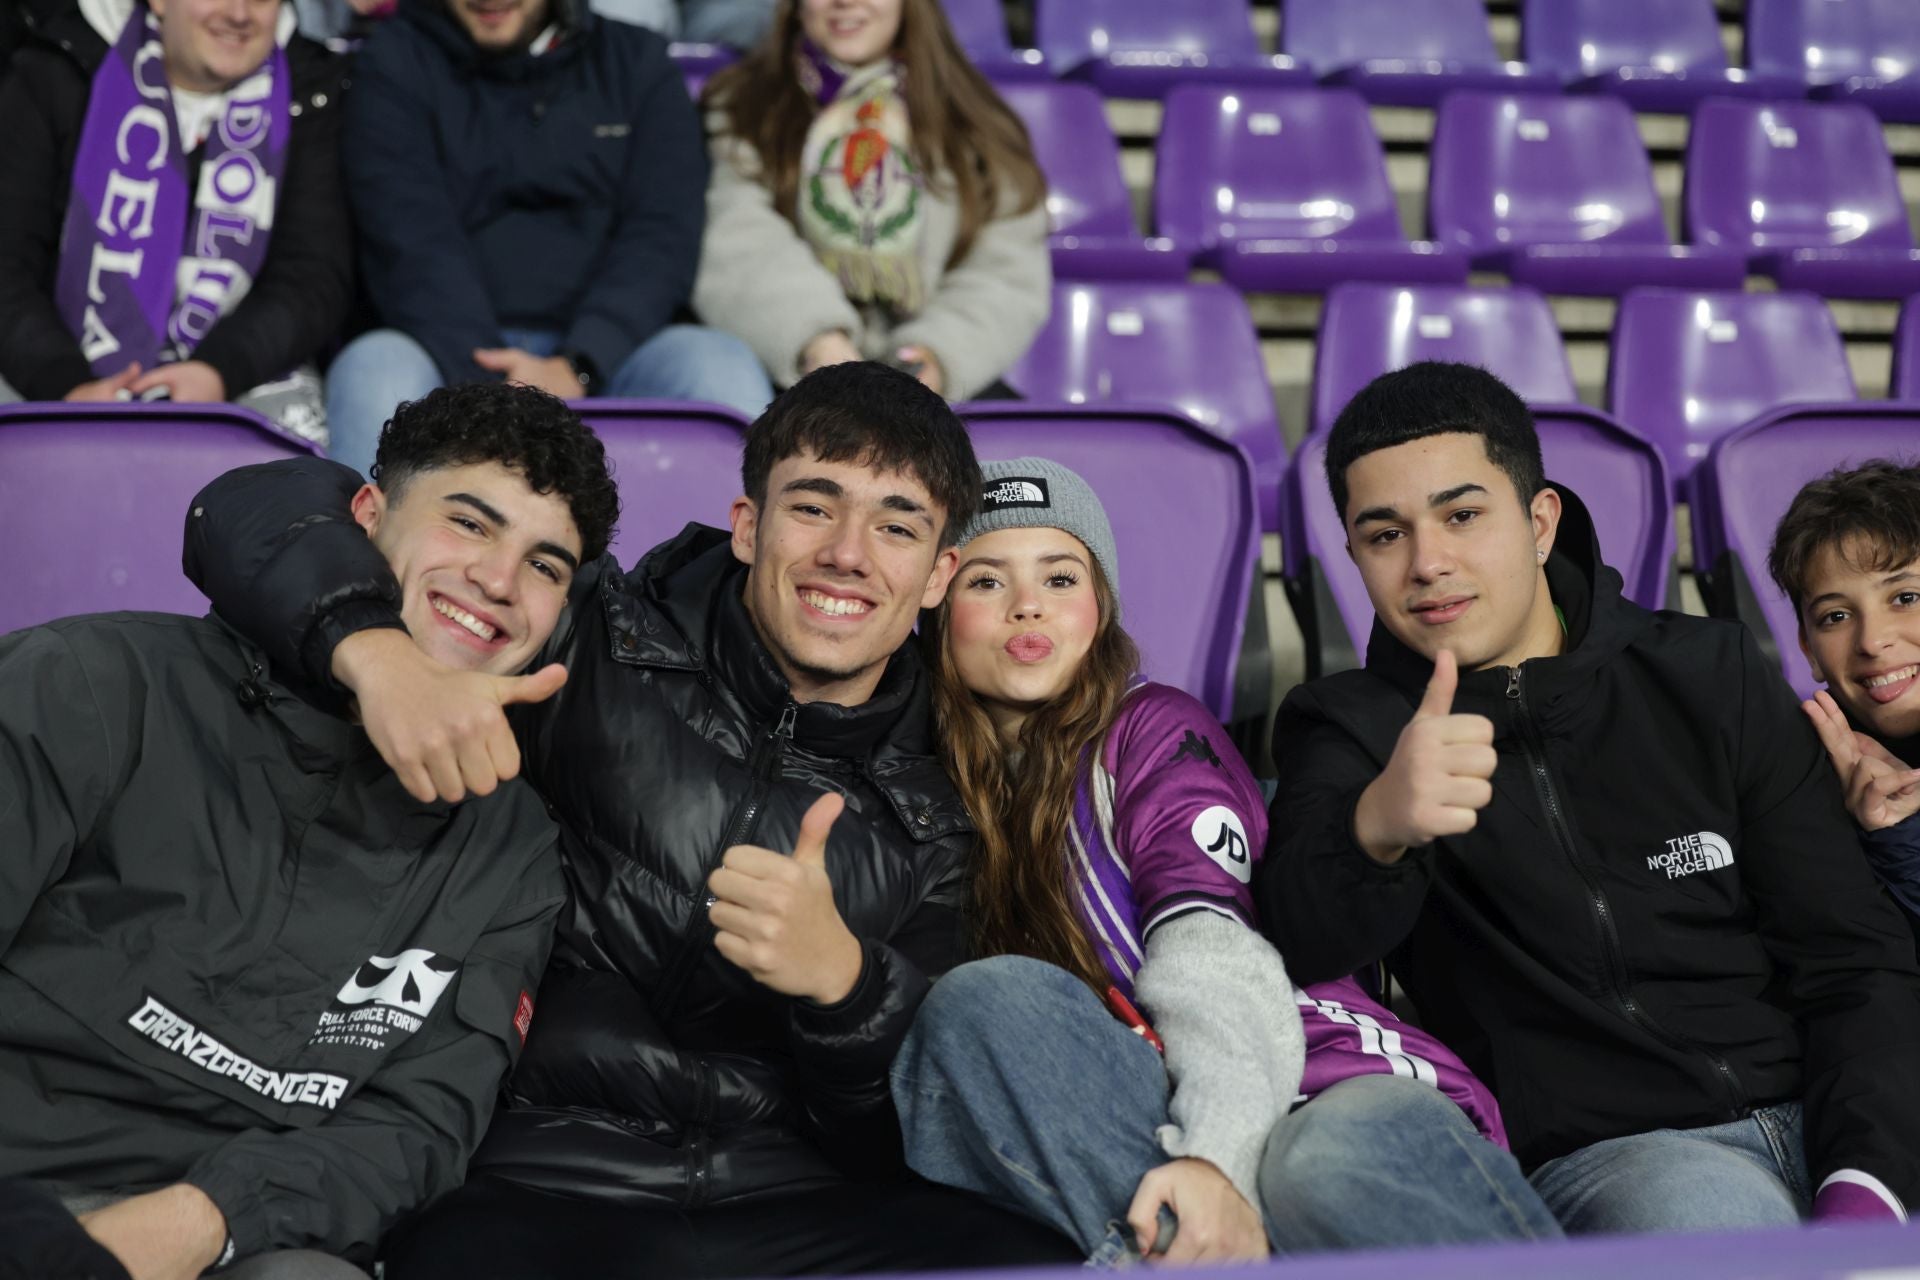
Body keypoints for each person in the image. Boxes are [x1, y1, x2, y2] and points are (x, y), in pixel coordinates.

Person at [181, 361, 1080, 1278]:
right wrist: (375, 653)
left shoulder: (949, 801)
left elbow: (894, 1139)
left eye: (897, 527)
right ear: (747, 526)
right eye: (814, 506)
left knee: (1050, 1259)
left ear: (938, 577)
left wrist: (844, 987)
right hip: (539, 1176)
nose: (848, 553)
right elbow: (256, 506)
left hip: (802, 1196)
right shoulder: (591, 631)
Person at [1261, 361, 1920, 1236]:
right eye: (1385, 535)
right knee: (1709, 1217)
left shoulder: (1707, 671)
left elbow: (1853, 958)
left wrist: (1865, 1182)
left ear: (1540, 522)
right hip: (1628, 1158)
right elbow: (1295, 938)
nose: (1428, 563)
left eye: (1463, 515)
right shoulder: (1348, 727)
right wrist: (1378, 829)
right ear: (1354, 556)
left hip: (1837, 1117)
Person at [0, 381, 620, 1278]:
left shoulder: (511, 849)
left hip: (219, 1235)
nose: (498, 582)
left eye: (546, 566)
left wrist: (199, 1222)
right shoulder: (91, 683)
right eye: (471, 525)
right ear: (364, 517)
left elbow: (415, 1127)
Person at [892, 458, 1562, 1263]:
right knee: (982, 1006)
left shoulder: (1152, 729)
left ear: (1099, 608)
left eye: (1061, 577)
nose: (1028, 604)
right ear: (936, 608)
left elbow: (1214, 959)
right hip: (1156, 1114)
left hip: (1326, 1087)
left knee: (1314, 1164)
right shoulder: (930, 793)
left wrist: (1216, 1160)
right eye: (987, 582)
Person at [321, 0, 774, 478]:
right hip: (444, 349)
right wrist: (496, 384)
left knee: (717, 363)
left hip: (612, 355)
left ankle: (753, 549)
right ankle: (362, 555)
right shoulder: (394, 59)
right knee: (372, 368)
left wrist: (580, 364)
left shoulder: (636, 60)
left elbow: (662, 234)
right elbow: (407, 239)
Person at [0, 0, 350, 444]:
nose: (240, 15)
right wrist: (67, 385)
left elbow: (312, 275)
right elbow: (7, 265)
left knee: (294, 441)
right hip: (53, 364)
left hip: (234, 368)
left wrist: (218, 371)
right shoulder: (56, 67)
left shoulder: (310, 88)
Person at [695, 0, 1050, 401]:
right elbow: (737, 238)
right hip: (787, 374)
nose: (845, 1)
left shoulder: (977, 121)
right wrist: (819, 341)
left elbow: (1005, 270)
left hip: (935, 389)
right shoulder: (741, 108)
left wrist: (931, 359)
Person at [1768, 459, 1920, 945]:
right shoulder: (1789, 780)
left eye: (1906, 598)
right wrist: (1896, 835)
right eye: (1835, 615)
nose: (1872, 641)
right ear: (1808, 650)